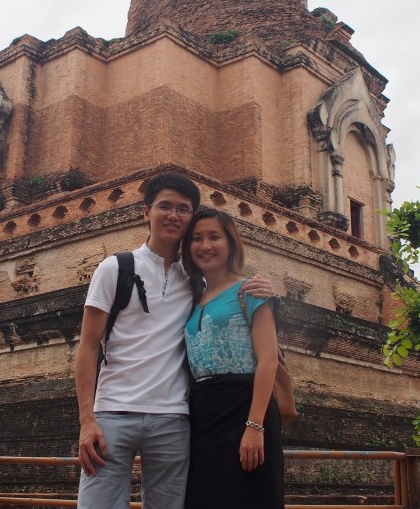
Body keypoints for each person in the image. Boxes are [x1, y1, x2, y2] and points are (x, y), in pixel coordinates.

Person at [74, 172, 275, 509]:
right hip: (112, 414)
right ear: (146, 212)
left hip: (173, 419)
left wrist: (266, 288)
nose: (173, 215)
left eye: (183, 209)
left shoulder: (195, 282)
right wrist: (86, 421)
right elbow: (88, 346)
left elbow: (233, 301)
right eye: (164, 206)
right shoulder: (114, 268)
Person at [181, 209, 285, 509]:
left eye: (214, 237)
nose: (205, 246)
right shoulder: (192, 298)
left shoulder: (250, 290)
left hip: (245, 405)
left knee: (251, 497)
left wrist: (255, 426)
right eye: (197, 238)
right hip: (204, 411)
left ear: (231, 243)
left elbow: (268, 360)